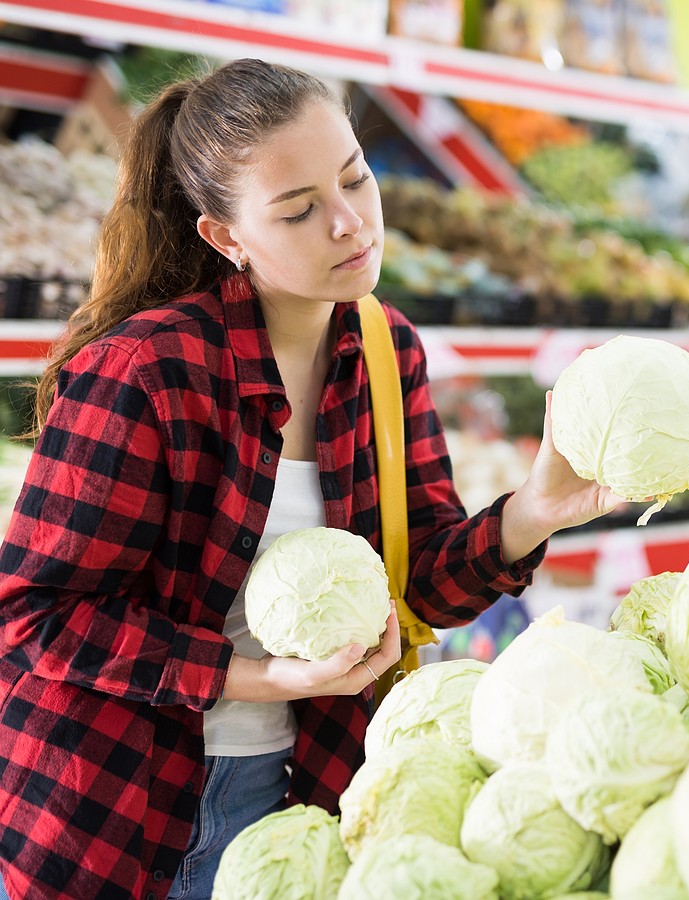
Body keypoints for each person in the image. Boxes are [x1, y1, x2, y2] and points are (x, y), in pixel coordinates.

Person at [0, 58, 622, 900]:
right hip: (114, 812)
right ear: (226, 237)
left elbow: (412, 586)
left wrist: (532, 513)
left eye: (356, 178)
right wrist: (260, 677)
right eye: (298, 210)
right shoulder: (145, 372)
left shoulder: (383, 345)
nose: (349, 224)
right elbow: (37, 618)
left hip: (302, 797)